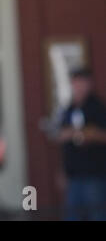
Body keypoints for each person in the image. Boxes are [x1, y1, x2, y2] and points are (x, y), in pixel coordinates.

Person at [56, 67, 106, 220]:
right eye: (76, 83)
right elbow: (62, 138)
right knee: (73, 215)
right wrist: (62, 170)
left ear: (89, 84)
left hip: (94, 173)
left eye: (82, 82)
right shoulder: (69, 110)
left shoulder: (97, 108)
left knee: (97, 214)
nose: (79, 86)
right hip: (74, 174)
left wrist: (83, 133)